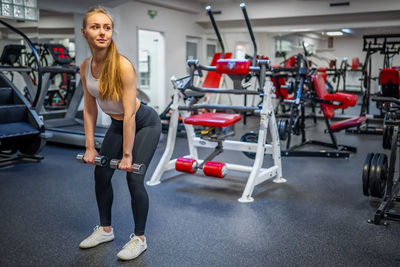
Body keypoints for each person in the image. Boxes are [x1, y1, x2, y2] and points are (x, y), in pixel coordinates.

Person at [78, 7, 161, 261]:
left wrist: (127, 155)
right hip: (117, 124)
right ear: (85, 32)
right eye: (95, 27)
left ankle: (140, 239)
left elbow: (130, 115)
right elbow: (90, 109)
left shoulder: (123, 66)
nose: (102, 32)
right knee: (101, 173)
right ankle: (105, 230)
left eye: (107, 27)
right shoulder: (85, 66)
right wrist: (90, 147)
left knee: (134, 178)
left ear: (111, 32)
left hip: (144, 122)